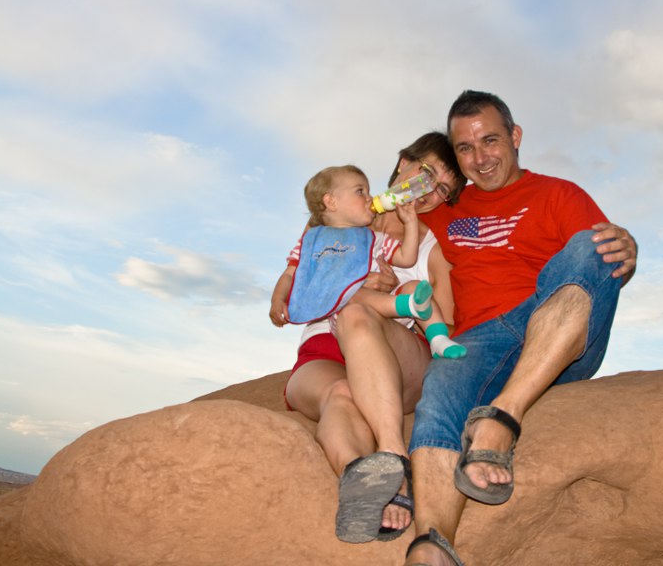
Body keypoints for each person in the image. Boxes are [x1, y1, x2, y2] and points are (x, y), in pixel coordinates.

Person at [403, 91, 638, 566]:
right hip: (480, 342)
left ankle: (501, 421)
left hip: (555, 334)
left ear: (515, 137)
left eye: (490, 140)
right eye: (465, 148)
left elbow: (602, 264)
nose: (480, 158)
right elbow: (373, 214)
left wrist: (627, 248)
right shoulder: (444, 208)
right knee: (443, 383)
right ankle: (430, 546)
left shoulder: (558, 194)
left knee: (594, 241)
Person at [268, 132, 467, 545]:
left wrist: (389, 293)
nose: (428, 192)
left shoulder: (428, 248)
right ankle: (362, 481)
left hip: (398, 354)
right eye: (427, 174)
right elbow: (298, 278)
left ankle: (394, 458)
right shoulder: (336, 219)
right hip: (325, 346)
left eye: (442, 189)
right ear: (403, 164)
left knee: (358, 313)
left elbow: (443, 317)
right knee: (338, 394)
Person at [277, 163, 465, 360]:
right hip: (349, 312)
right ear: (331, 202)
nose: (369, 197)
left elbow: (406, 258)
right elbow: (291, 272)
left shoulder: (371, 237)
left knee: (414, 286)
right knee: (354, 294)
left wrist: (410, 223)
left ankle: (438, 339)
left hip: (393, 317)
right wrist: (278, 299)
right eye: (360, 191)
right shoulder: (313, 239)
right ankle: (409, 306)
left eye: (367, 190)